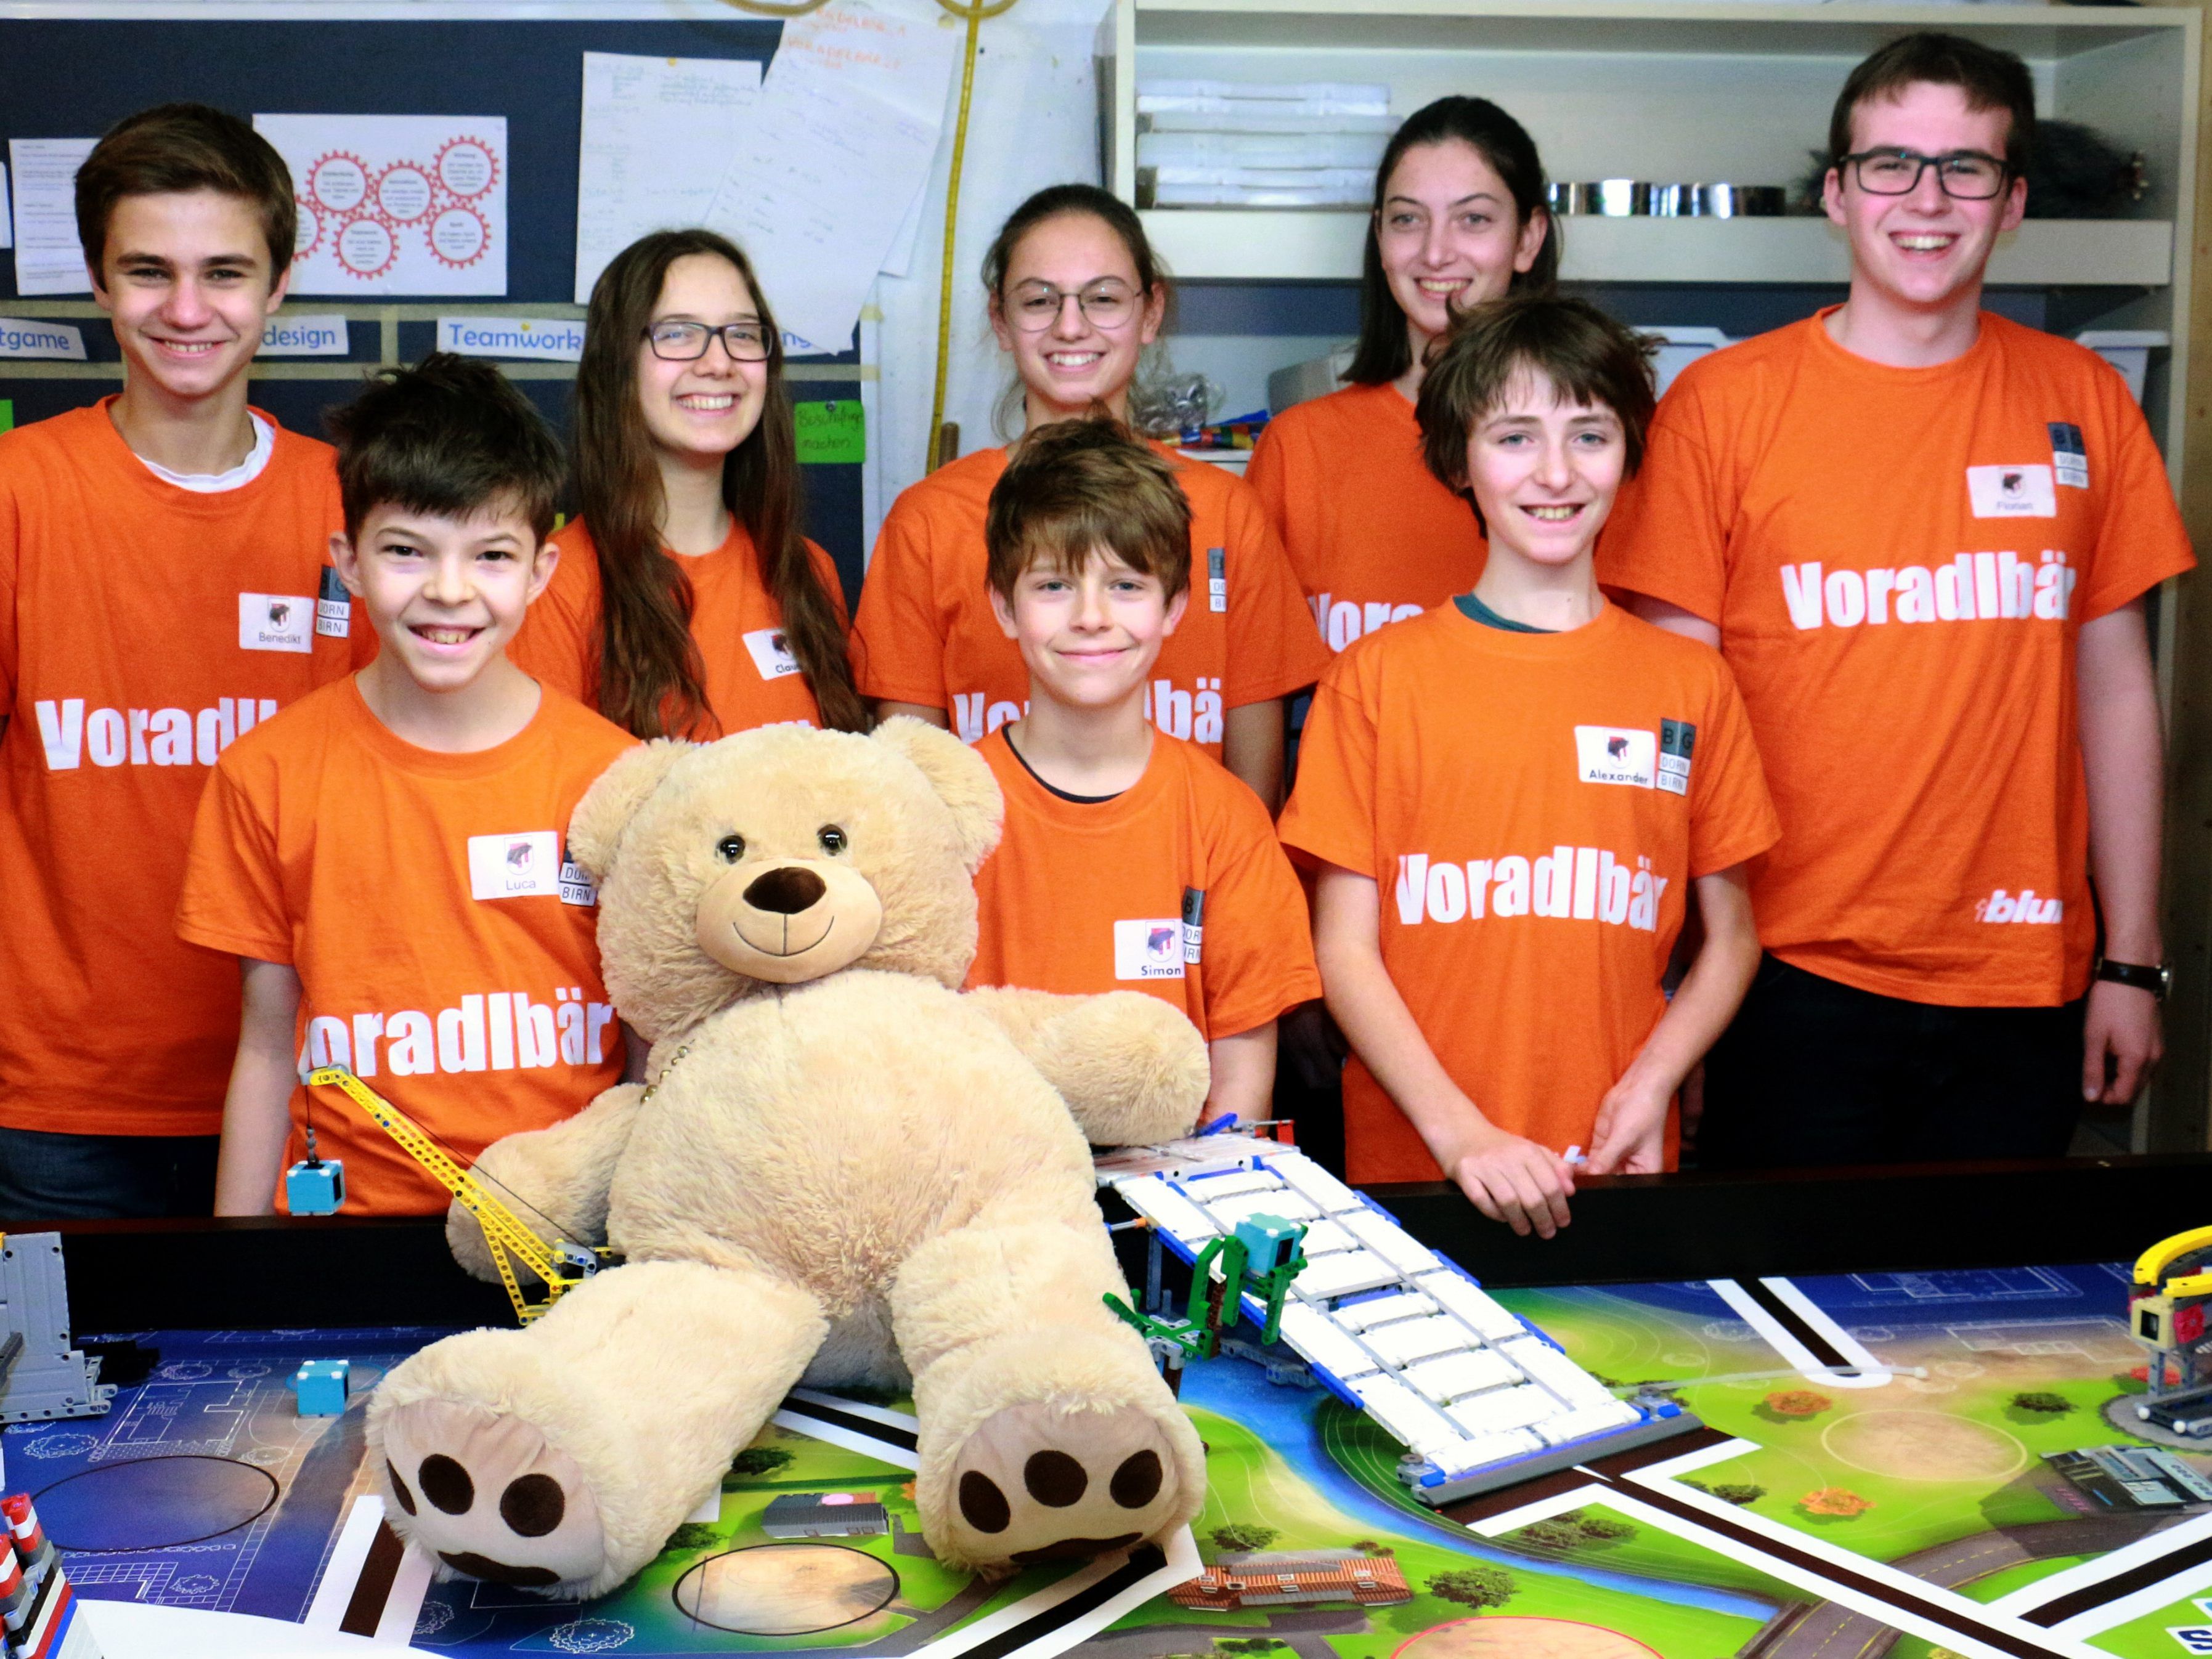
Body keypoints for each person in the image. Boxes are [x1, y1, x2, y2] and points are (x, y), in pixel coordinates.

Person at [1598, 33, 2196, 1167]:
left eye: (1966, 167)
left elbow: (2116, 694)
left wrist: (2133, 957)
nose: (1927, 199)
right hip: (1781, 971)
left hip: (2022, 980)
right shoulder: (1725, 405)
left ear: (2013, 200)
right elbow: (1675, 710)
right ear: (1837, 191)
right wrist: (1672, 979)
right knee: (1774, 1323)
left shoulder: (2086, 398)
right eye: (1891, 164)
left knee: (1988, 1324)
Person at [1279, 296, 1778, 1236]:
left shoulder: (1689, 683)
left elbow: (1733, 937)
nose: (1555, 473)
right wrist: (1461, 1135)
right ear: (1458, 459)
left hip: (1614, 1157)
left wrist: (1652, 1085)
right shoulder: (1377, 679)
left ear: (1629, 450)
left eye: (1587, 435)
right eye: (1514, 437)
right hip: (1418, 1168)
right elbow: (1342, 947)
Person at [0, 103, 361, 1221]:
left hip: (321, 1086)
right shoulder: (17, 490)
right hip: (60, 1105)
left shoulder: (357, 508)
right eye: (149, 272)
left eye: (226, 272)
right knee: (62, 1403)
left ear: (281, 284)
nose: (190, 310)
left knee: (291, 1400)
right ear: (100, 286)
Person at [177, 356, 640, 1216]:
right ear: (348, 562)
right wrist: (237, 1274)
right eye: (406, 551)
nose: (449, 591)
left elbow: (650, 1059)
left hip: (567, 1244)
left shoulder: (615, 777)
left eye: (491, 555)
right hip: (343, 1239)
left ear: (542, 570)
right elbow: (267, 1046)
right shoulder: (267, 775)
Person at [852, 184, 1326, 809]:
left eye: (1102, 298)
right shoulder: (928, 521)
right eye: (1038, 300)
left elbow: (1253, 798)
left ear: (1150, 312)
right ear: (1000, 320)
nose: (1069, 325)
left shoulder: (1226, 511)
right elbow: (908, 790)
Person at [969, 418, 1320, 1127]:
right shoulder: (954, 810)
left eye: (1126, 584)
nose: (1092, 617)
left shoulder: (1223, 819)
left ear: (1175, 609)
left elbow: (1242, 1082)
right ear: (1004, 607)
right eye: (1053, 585)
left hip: (1175, 1209)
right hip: (994, 1200)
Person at [510, 229, 864, 739]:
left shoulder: (807, 571)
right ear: (618, 366)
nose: (718, 363)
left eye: (742, 333)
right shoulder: (554, 587)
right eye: (677, 333)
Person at [1247, 96, 1555, 655]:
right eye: (1408, 219)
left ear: (1529, 238)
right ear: (1380, 237)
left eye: (1474, 219)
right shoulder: (1300, 449)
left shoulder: (1589, 454)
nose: (1436, 253)